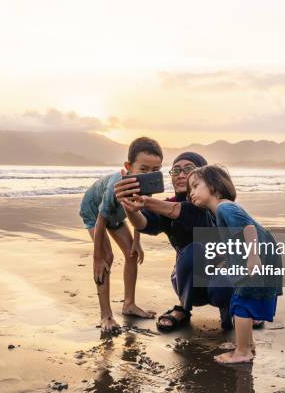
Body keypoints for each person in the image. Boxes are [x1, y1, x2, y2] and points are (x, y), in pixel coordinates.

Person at [115, 152, 235, 332]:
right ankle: (183, 308)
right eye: (176, 170)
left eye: (188, 169)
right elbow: (144, 222)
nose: (180, 175)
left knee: (223, 272)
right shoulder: (165, 206)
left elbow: (183, 211)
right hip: (187, 282)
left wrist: (146, 201)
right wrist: (129, 206)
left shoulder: (216, 205)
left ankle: (231, 313)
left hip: (222, 282)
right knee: (192, 252)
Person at [186, 165, 283, 364]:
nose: (191, 193)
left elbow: (248, 229)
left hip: (258, 257)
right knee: (243, 300)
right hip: (261, 255)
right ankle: (246, 344)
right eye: (190, 189)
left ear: (214, 186)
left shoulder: (225, 207)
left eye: (195, 186)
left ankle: (242, 352)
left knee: (242, 305)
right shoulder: (222, 210)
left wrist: (253, 257)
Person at [79, 137, 163, 332]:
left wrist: (137, 242)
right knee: (106, 257)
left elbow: (137, 213)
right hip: (94, 213)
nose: (149, 175)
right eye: (143, 169)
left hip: (117, 217)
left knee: (132, 253)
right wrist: (97, 256)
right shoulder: (116, 186)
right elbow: (101, 219)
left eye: (155, 170)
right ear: (129, 166)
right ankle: (106, 315)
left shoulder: (145, 185)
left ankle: (129, 304)